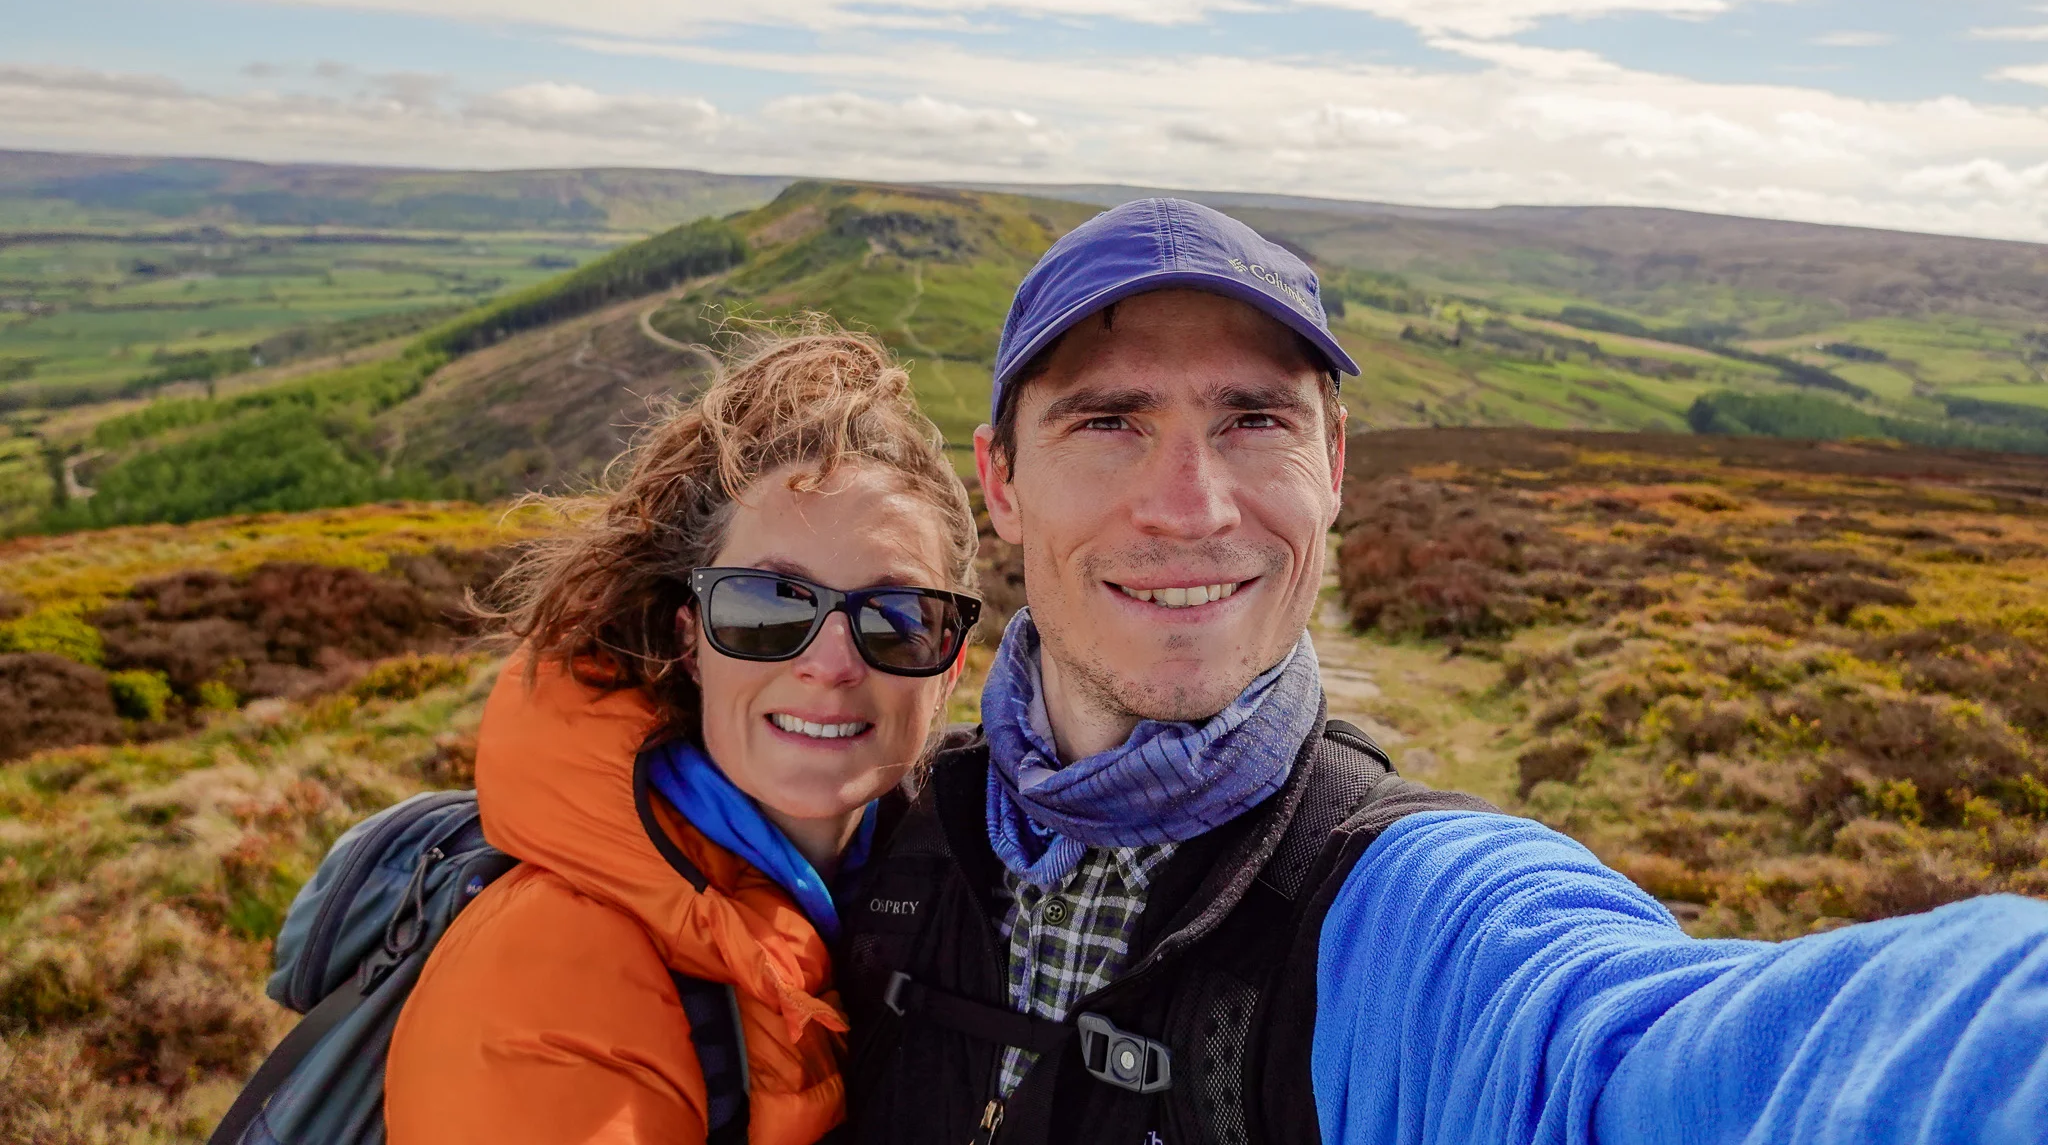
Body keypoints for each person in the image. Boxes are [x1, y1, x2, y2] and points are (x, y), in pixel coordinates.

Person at [837, 198, 2048, 1145]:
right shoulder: (865, 844)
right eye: (1107, 424)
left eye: (1254, 420)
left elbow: (1628, 1063)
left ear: (1335, 461)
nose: (1189, 508)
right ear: (997, 480)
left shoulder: (1415, 923)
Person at [385, 329, 983, 1144]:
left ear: (948, 666)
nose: (833, 664)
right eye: (768, 604)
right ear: (690, 640)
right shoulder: (551, 966)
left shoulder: (961, 904)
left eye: (898, 617)